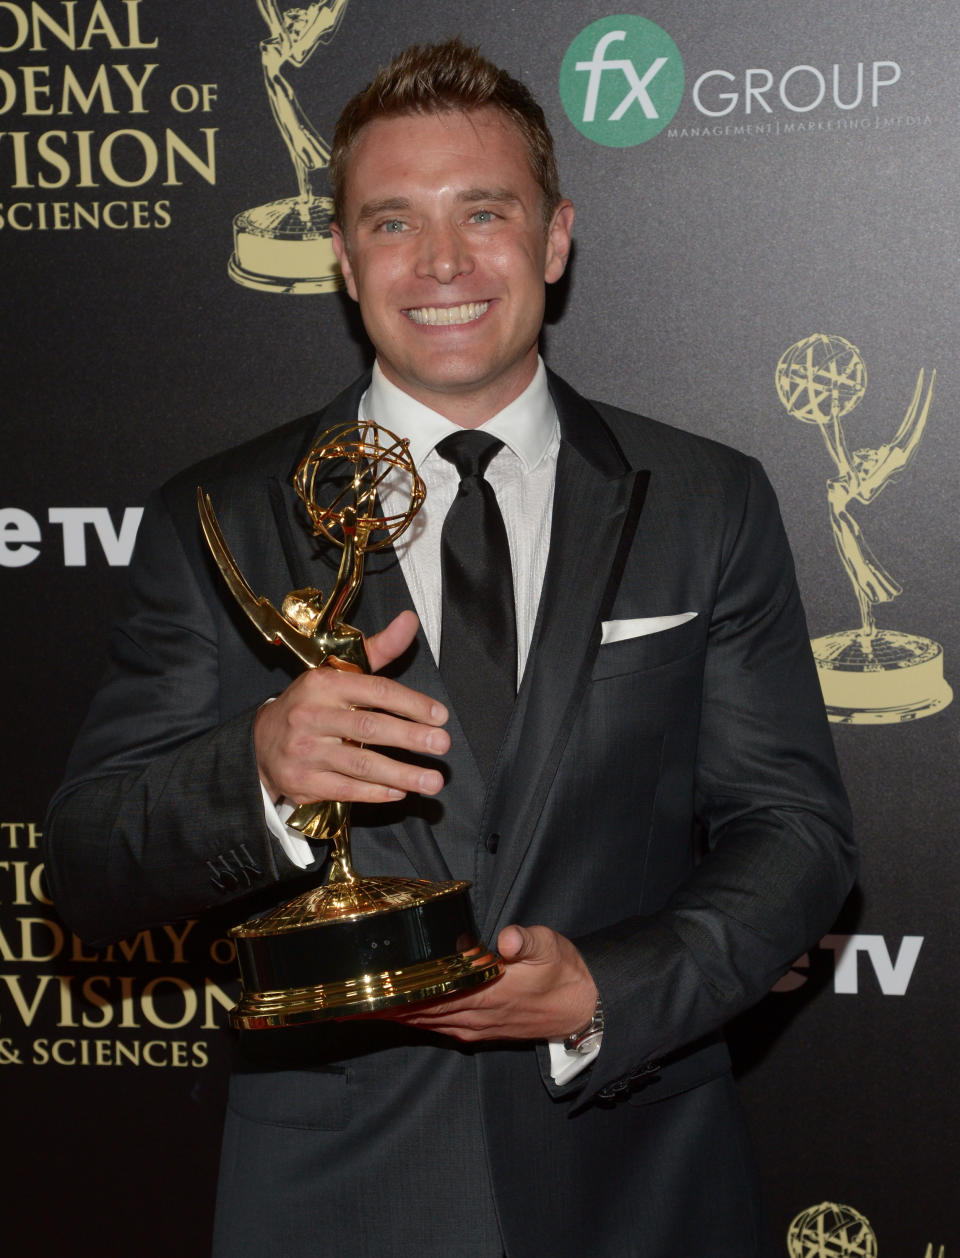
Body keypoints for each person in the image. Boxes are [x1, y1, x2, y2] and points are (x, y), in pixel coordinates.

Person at [44, 37, 855, 1258]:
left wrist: (610, 989)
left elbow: (797, 833)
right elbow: (88, 862)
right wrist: (258, 768)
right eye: (391, 222)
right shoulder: (218, 516)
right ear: (341, 257)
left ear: (555, 237)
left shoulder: (706, 498)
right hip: (337, 1196)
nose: (442, 264)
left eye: (485, 212)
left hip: (639, 1179)